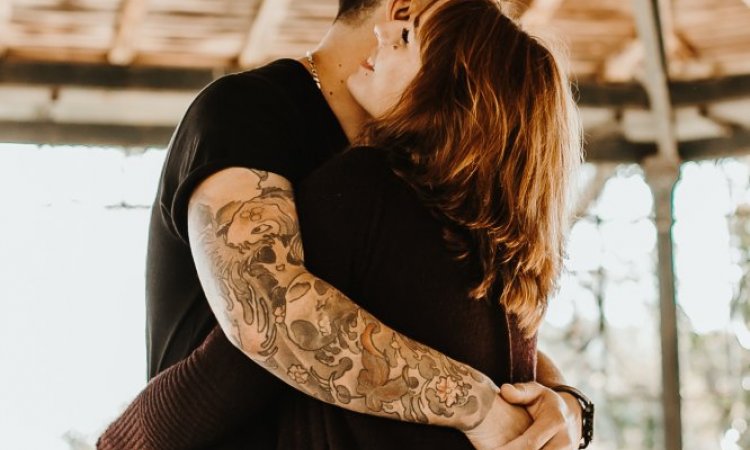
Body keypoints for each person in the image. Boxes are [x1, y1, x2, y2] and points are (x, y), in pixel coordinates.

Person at [97, 0, 590, 449]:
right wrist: (485, 406)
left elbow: (489, 343)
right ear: (402, 8)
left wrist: (562, 403)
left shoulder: (408, 187)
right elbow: (270, 315)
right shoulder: (250, 113)